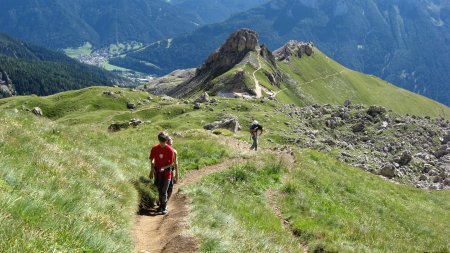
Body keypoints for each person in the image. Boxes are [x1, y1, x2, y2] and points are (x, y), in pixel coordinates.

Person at [149, 132, 175, 215]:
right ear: (159, 141)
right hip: (157, 173)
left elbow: (172, 163)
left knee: (164, 191)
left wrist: (164, 167)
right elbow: (152, 159)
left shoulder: (170, 150)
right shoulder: (154, 148)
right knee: (158, 190)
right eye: (161, 142)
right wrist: (152, 170)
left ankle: (164, 207)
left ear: (166, 141)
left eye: (164, 142)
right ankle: (160, 206)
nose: (162, 144)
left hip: (167, 174)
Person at [166, 136, 179, 201]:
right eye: (168, 143)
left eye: (170, 144)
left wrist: (177, 175)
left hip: (171, 170)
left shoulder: (174, 151)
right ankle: (160, 200)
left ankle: (165, 202)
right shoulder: (162, 150)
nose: (169, 145)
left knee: (170, 187)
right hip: (161, 171)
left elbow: (176, 163)